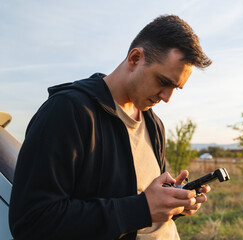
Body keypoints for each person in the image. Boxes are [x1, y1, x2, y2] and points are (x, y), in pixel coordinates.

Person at [9, 15, 212, 240]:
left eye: (176, 88)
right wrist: (141, 208)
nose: (167, 98)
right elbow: (32, 222)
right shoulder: (67, 112)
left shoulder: (154, 124)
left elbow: (142, 216)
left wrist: (173, 203)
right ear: (135, 58)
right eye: (164, 82)